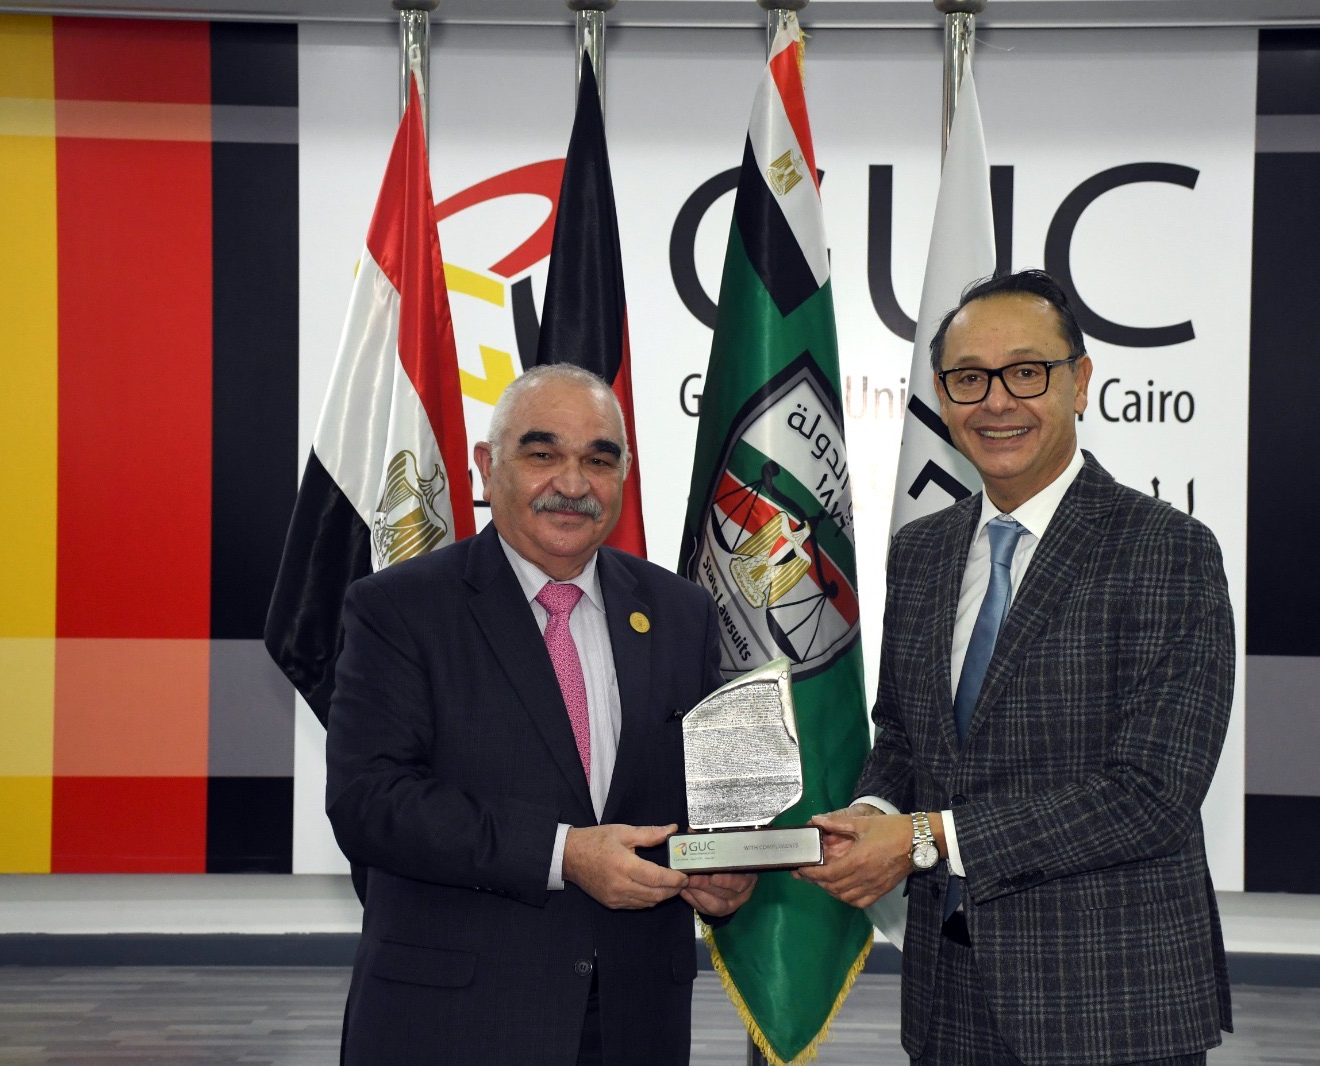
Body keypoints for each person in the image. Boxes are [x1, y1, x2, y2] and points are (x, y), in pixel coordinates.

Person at [798, 271, 1234, 1065]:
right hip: (948, 993)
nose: (997, 402)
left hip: (1110, 1000)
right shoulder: (922, 551)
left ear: (1081, 381)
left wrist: (924, 837)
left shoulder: (1168, 551)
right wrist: (869, 812)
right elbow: (904, 734)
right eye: (969, 378)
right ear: (942, 396)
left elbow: (1153, 796)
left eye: (1026, 372)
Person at [325, 364, 755, 1066]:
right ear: (487, 466)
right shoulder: (397, 608)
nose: (573, 484)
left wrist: (725, 866)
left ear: (624, 474)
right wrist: (563, 855)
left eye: (599, 460)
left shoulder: (681, 612)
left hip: (636, 1020)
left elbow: (703, 795)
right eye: (543, 454)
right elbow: (368, 802)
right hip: (456, 1020)